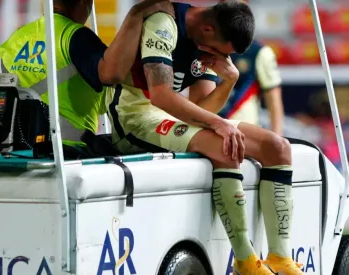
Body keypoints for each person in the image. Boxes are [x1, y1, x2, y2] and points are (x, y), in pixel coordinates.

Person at [104, 0, 302, 274]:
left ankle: (280, 257)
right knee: (225, 145)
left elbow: (201, 109)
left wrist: (229, 80)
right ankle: (245, 260)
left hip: (170, 118)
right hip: (135, 117)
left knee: (277, 147)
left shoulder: (208, 41)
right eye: (225, 52)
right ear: (208, 29)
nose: (224, 57)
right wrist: (218, 124)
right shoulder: (164, 23)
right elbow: (160, 95)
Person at [0, 0, 174, 142]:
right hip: (66, 145)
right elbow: (112, 74)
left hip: (17, 141)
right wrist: (137, 13)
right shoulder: (75, 35)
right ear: (83, 3)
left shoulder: (18, 36)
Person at [218, 39, 285, 135]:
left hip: (246, 133)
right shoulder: (205, 47)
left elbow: (274, 102)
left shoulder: (260, 52)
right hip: (211, 130)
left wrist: (278, 136)